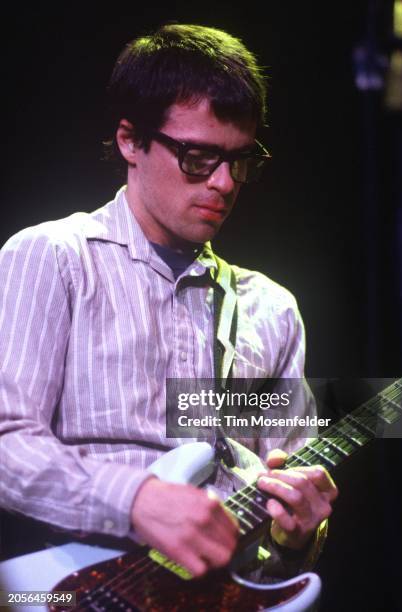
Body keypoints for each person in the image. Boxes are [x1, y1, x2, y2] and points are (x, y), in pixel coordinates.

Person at [0, 23, 337, 579]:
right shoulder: (53, 257)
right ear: (131, 140)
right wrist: (136, 498)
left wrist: (296, 534)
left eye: (240, 160)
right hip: (66, 589)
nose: (225, 184)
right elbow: (8, 442)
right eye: (199, 157)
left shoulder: (271, 309)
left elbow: (286, 523)